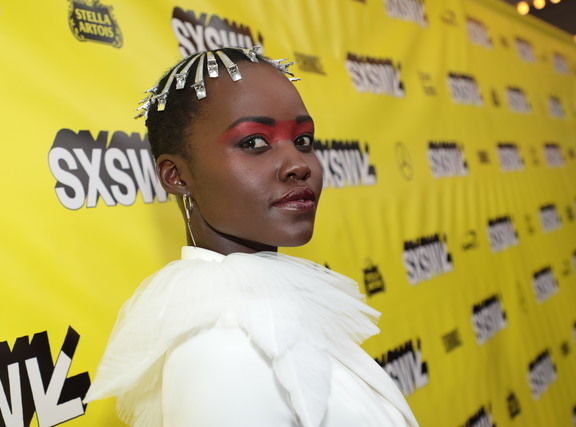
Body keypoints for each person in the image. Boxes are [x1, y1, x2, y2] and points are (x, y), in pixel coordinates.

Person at [85, 46, 418, 427]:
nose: (298, 164)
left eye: (303, 140)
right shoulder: (219, 348)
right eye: (254, 142)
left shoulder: (272, 307)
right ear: (176, 176)